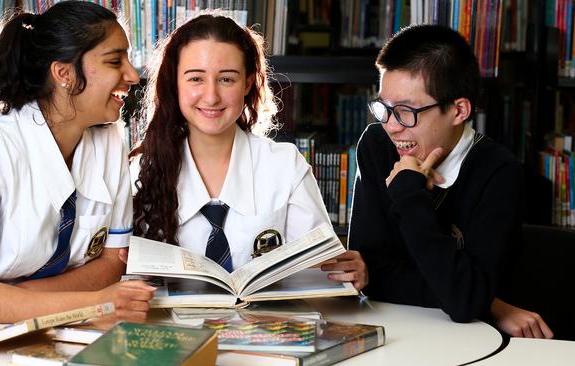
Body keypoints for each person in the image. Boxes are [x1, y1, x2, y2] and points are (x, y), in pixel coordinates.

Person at [0, 2, 155, 323]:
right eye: (115, 61)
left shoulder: (109, 140)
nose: (132, 75)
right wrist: (92, 303)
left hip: (45, 324)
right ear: (63, 73)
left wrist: (13, 298)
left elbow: (113, 262)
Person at [129, 14, 367, 289]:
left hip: (270, 328)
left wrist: (347, 274)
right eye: (196, 79)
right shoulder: (141, 171)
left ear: (247, 83)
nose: (211, 96)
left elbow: (320, 278)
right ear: (174, 84)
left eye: (226, 79)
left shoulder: (285, 166)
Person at [348, 24, 553, 338]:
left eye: (405, 111)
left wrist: (409, 195)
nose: (392, 126)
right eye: (384, 108)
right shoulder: (377, 146)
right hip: (394, 327)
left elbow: (464, 301)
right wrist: (492, 304)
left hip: (471, 339)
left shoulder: (499, 172)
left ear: (458, 110)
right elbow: (373, 275)